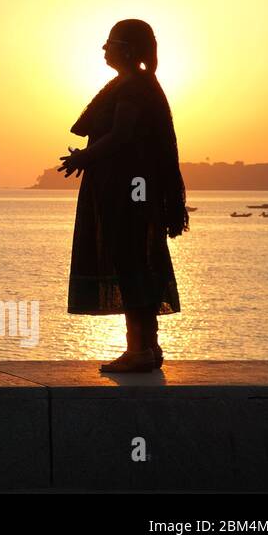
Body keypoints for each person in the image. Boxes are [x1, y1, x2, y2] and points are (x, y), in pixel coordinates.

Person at [57, 19, 186, 373]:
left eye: (110, 42)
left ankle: (139, 350)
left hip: (128, 187)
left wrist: (85, 156)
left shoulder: (131, 89)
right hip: (127, 185)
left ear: (126, 49)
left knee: (130, 261)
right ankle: (148, 347)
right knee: (135, 260)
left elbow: (121, 136)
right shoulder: (133, 85)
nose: (104, 49)